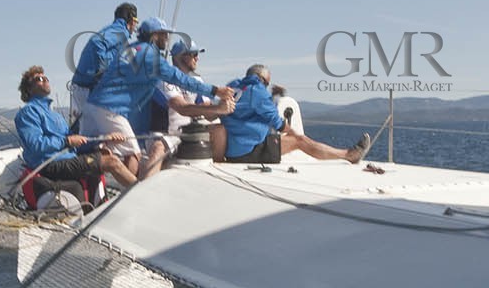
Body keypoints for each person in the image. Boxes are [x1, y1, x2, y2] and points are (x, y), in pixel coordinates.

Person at [81, 17, 234, 178]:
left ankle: (92, 192)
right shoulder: (151, 58)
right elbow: (179, 81)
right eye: (164, 34)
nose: (167, 38)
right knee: (132, 154)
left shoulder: (131, 49)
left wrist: (220, 107)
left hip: (93, 105)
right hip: (110, 109)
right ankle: (135, 195)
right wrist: (216, 90)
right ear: (154, 35)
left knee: (89, 150)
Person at [15, 66, 137, 210]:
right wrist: (66, 141)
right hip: (50, 165)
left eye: (46, 78)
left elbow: (75, 142)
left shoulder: (54, 115)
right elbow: (35, 145)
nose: (45, 80)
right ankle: (145, 194)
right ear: (29, 89)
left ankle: (97, 205)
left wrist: (103, 139)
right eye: (39, 79)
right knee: (112, 162)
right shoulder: (28, 112)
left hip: (66, 160)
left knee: (105, 154)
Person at [211, 64, 370, 164]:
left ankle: (346, 154)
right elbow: (277, 122)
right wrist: (296, 134)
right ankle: (349, 155)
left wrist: (272, 97)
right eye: (267, 82)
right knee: (300, 141)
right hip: (248, 151)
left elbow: (248, 109)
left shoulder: (234, 86)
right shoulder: (257, 90)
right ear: (261, 78)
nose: (266, 86)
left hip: (232, 147)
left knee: (296, 139)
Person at [137, 36, 232, 179]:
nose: (197, 59)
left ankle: (217, 174)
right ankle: (143, 191)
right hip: (167, 134)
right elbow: (182, 108)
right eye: (194, 55)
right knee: (158, 148)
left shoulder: (197, 80)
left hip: (189, 134)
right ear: (181, 57)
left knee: (219, 130)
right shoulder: (163, 80)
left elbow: (208, 112)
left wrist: (224, 107)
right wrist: (217, 109)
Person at [70, 2, 138, 131]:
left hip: (84, 87)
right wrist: (103, 73)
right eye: (136, 21)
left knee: (90, 130)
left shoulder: (114, 30)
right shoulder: (120, 31)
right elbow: (97, 43)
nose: (136, 26)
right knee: (100, 130)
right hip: (88, 88)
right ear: (130, 19)